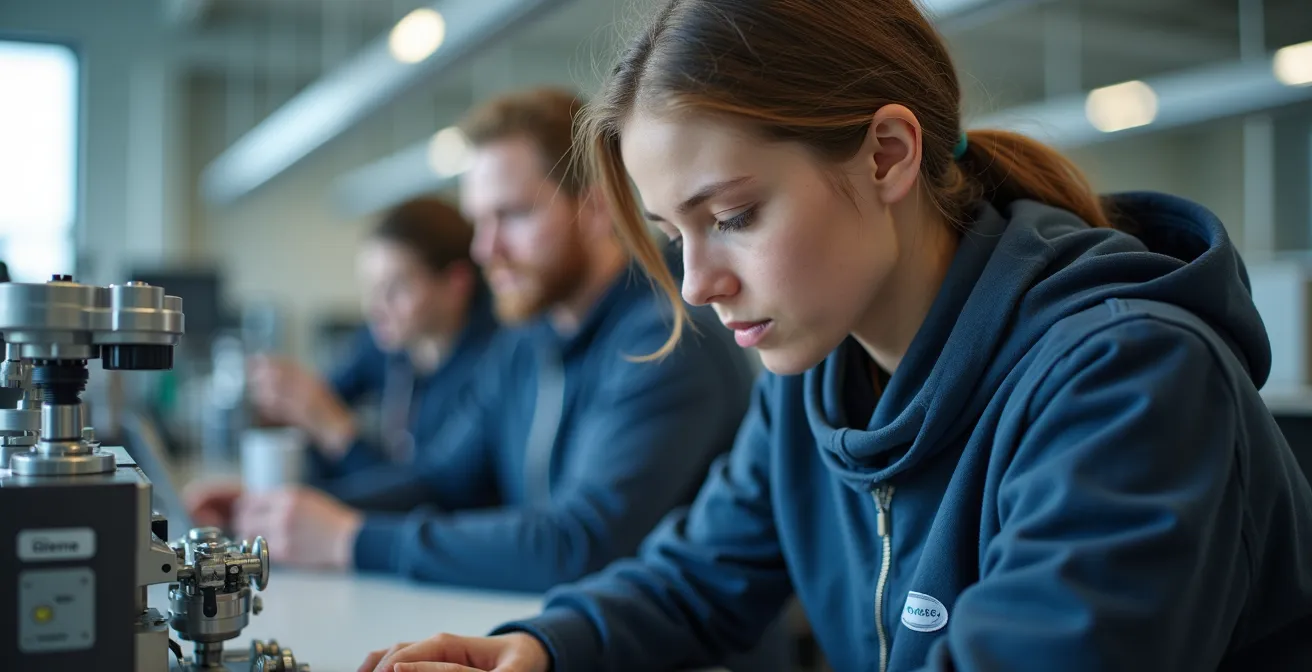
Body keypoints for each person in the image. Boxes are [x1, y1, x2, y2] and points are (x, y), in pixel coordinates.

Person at [360, 1, 1312, 671]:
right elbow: (697, 576)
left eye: (732, 216)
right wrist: (542, 647)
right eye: (675, 236)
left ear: (887, 156)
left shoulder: (1127, 378)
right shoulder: (812, 375)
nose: (698, 284)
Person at [226, 86, 758, 592]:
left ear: (594, 209)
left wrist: (350, 540)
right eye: (480, 221)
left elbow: (579, 544)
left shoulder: (666, 342)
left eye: (512, 215)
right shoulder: (527, 342)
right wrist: (281, 511)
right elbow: (442, 481)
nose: (485, 250)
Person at [186, 197, 499, 527]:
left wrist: (335, 430)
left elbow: (432, 493)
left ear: (456, 284)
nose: (375, 308)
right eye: (371, 289)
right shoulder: (387, 344)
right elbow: (320, 404)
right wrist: (268, 500)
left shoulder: (490, 368)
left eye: (396, 289)